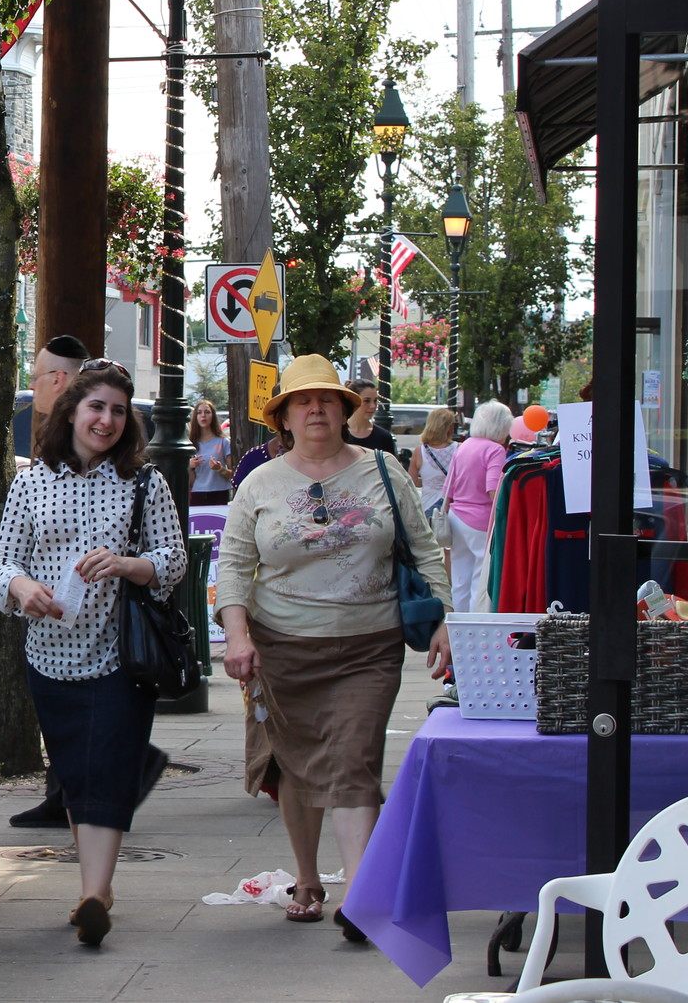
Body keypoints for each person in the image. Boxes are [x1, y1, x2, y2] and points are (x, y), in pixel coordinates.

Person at [215, 353, 451, 941]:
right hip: (283, 647)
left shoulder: (384, 469)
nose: (316, 408)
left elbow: (423, 549)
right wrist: (238, 635)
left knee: (353, 758)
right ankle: (306, 880)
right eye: (302, 400)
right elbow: (236, 566)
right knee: (295, 767)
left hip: (368, 644)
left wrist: (447, 620)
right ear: (285, 417)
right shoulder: (259, 483)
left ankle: (364, 892)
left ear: (346, 411)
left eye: (327, 399)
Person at [0, 363, 187, 948]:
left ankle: (96, 895)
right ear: (71, 411)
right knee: (77, 774)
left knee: (110, 768)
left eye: (119, 411)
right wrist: (23, 590)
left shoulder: (144, 482)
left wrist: (127, 564)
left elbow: (173, 561)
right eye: (97, 407)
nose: (107, 420)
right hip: (49, 654)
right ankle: (92, 887)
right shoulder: (30, 483)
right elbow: (1, 570)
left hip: (122, 654)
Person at [10, 334, 93, 830]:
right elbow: (8, 560)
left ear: (58, 381)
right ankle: (64, 792)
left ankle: (85, 790)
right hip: (54, 611)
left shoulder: (75, 441)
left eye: (36, 377)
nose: (32, 387)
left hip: (93, 609)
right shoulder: (38, 466)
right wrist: (22, 584)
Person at [442, 400, 511, 615]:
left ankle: (456, 630)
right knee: (480, 580)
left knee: (460, 580)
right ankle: (476, 627)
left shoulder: (465, 445)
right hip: (481, 520)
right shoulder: (495, 450)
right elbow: (494, 489)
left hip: (456, 518)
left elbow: (448, 488)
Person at [409, 407, 458, 515]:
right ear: (449, 428)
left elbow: (412, 482)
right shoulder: (459, 449)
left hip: (427, 506)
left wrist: (429, 481)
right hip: (453, 507)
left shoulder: (420, 451)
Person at [190, 398, 235, 505]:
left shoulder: (224, 442)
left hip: (220, 492)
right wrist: (189, 466)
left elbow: (234, 475)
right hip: (197, 493)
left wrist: (220, 469)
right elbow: (188, 481)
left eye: (207, 412)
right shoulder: (190, 444)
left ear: (213, 416)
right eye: (199, 412)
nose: (203, 415)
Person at [342, 378, 397, 453]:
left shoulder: (383, 437)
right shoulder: (337, 434)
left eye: (375, 401)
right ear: (353, 401)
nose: (373, 406)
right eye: (366, 401)